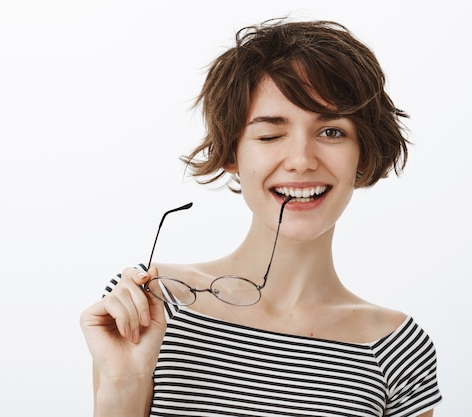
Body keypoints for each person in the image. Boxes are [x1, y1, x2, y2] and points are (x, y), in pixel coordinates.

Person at [80, 18, 442, 416]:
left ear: (364, 153)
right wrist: (123, 384)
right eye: (270, 135)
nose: (302, 161)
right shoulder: (153, 305)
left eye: (332, 132)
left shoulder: (395, 347)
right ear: (232, 153)